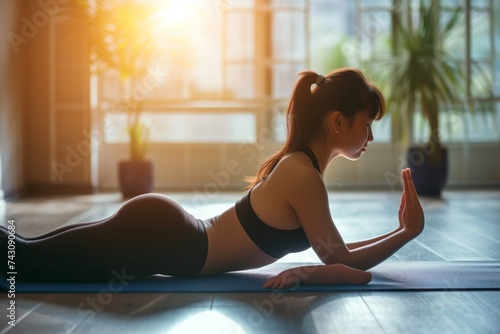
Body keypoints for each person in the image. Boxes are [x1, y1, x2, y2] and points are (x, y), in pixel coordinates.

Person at [0, 68, 424, 288]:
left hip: (169, 234)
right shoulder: (303, 175)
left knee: (28, 253)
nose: (370, 136)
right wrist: (406, 233)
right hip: (168, 241)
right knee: (29, 263)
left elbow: (337, 254)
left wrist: (399, 230)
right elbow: (341, 262)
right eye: (367, 124)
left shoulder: (301, 167)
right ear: (337, 121)